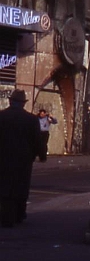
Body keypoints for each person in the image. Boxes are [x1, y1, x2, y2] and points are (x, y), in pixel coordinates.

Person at [0, 90, 41, 227]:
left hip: (3, 157)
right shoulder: (31, 119)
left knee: (4, 185)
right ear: (23, 104)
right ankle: (19, 213)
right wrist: (40, 154)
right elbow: (37, 141)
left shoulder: (2, 117)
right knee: (21, 185)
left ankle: (5, 213)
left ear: (10, 101)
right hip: (23, 158)